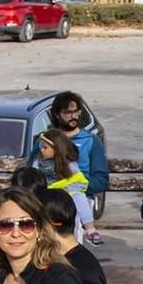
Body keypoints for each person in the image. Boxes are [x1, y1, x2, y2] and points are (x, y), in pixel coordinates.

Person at [50, 91, 110, 233]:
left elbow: (101, 180)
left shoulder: (91, 141)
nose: (73, 116)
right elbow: (33, 171)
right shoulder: (47, 140)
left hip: (80, 196)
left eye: (76, 112)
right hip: (51, 195)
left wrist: (76, 187)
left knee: (72, 214)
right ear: (57, 114)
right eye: (68, 113)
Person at [36, 126, 101, 242]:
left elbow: (78, 181)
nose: (41, 150)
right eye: (41, 147)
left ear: (56, 149)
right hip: (46, 197)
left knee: (79, 197)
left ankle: (90, 229)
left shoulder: (69, 165)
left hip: (66, 195)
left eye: (45, 148)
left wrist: (67, 189)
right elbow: (34, 180)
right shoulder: (38, 163)